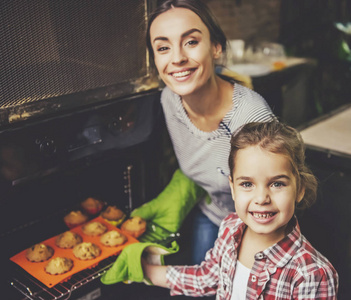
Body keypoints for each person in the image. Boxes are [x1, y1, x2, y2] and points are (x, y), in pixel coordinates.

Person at [130, 0, 275, 265]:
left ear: (216, 48)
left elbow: (272, 204)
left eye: (191, 42)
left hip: (257, 225)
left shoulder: (251, 118)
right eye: (163, 47)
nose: (177, 58)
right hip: (211, 212)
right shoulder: (169, 101)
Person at [140, 121, 339, 299]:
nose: (261, 198)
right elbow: (207, 278)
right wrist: (146, 270)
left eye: (277, 184)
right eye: (247, 184)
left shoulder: (313, 274)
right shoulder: (230, 227)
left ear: (300, 190)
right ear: (233, 188)